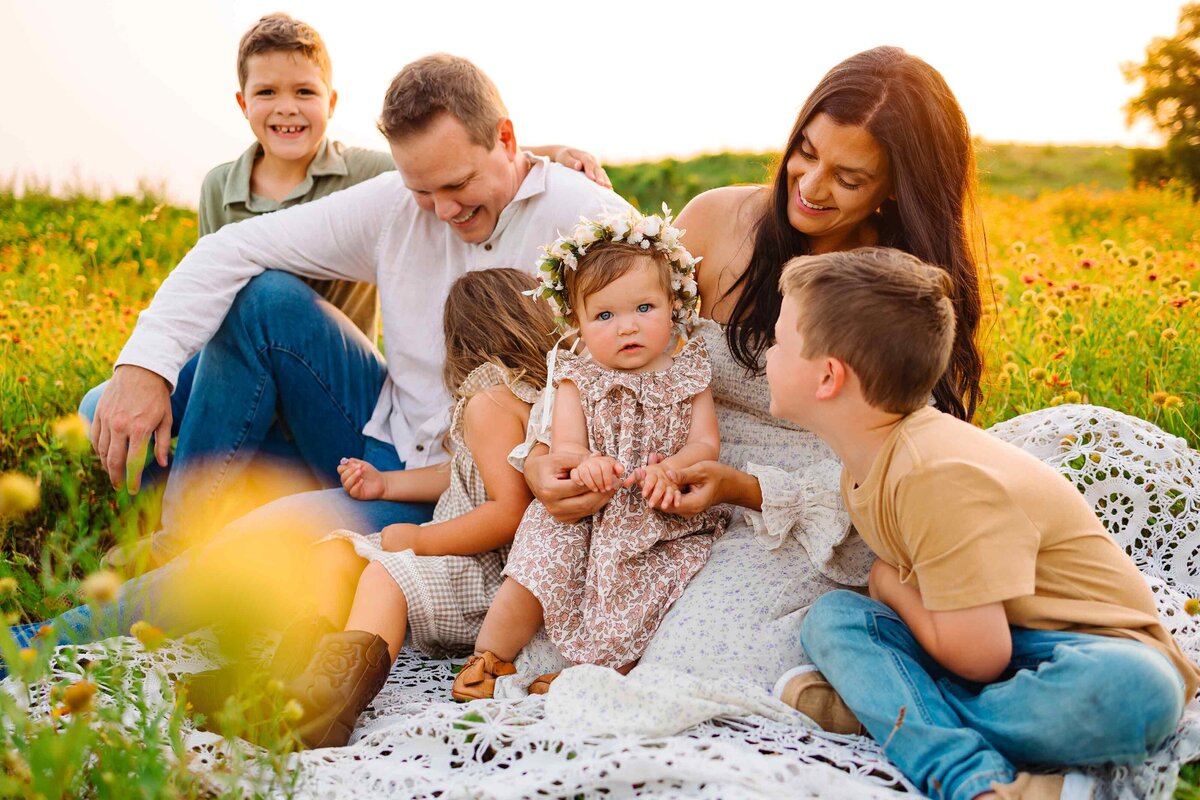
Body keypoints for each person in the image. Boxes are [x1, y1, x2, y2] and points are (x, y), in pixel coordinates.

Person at [13, 53, 628, 655]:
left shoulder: (588, 218)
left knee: (248, 548)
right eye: (423, 189)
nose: (444, 210)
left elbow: (656, 352)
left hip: (454, 485)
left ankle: (36, 645)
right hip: (373, 432)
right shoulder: (393, 203)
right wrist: (143, 367)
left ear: (507, 138)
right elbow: (234, 247)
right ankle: (182, 536)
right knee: (246, 310)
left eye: (459, 184)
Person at [522, 46, 982, 693]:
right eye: (807, 151)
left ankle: (853, 670)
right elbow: (608, 345)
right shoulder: (715, 221)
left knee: (688, 666)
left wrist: (744, 488)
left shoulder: (895, 285)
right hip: (659, 473)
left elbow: (893, 462)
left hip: (801, 510)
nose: (812, 186)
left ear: (897, 186)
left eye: (849, 178)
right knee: (528, 613)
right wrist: (548, 452)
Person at [768, 247, 1199, 800]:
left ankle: (917, 731)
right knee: (833, 618)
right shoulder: (870, 458)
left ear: (829, 376)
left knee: (1138, 694)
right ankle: (929, 729)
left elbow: (980, 654)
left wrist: (887, 584)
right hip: (987, 640)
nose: (768, 353)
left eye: (779, 340)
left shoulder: (935, 473)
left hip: (1085, 649)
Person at [264, 268, 555, 749]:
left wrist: (420, 540)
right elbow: (464, 471)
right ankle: (291, 675)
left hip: (494, 578)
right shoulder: (524, 395)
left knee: (386, 575)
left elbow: (508, 512)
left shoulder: (490, 400)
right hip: (474, 564)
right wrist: (384, 485)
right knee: (336, 552)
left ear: (461, 339)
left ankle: (326, 708)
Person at [452, 210, 730, 701]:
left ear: (674, 304)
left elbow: (705, 442)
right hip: (585, 506)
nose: (627, 327)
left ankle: (598, 669)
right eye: (604, 316)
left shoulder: (688, 370)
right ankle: (488, 657)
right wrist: (586, 462)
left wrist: (672, 468)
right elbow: (567, 444)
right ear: (576, 322)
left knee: (645, 586)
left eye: (644, 307)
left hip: (656, 509)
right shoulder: (577, 376)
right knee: (537, 563)